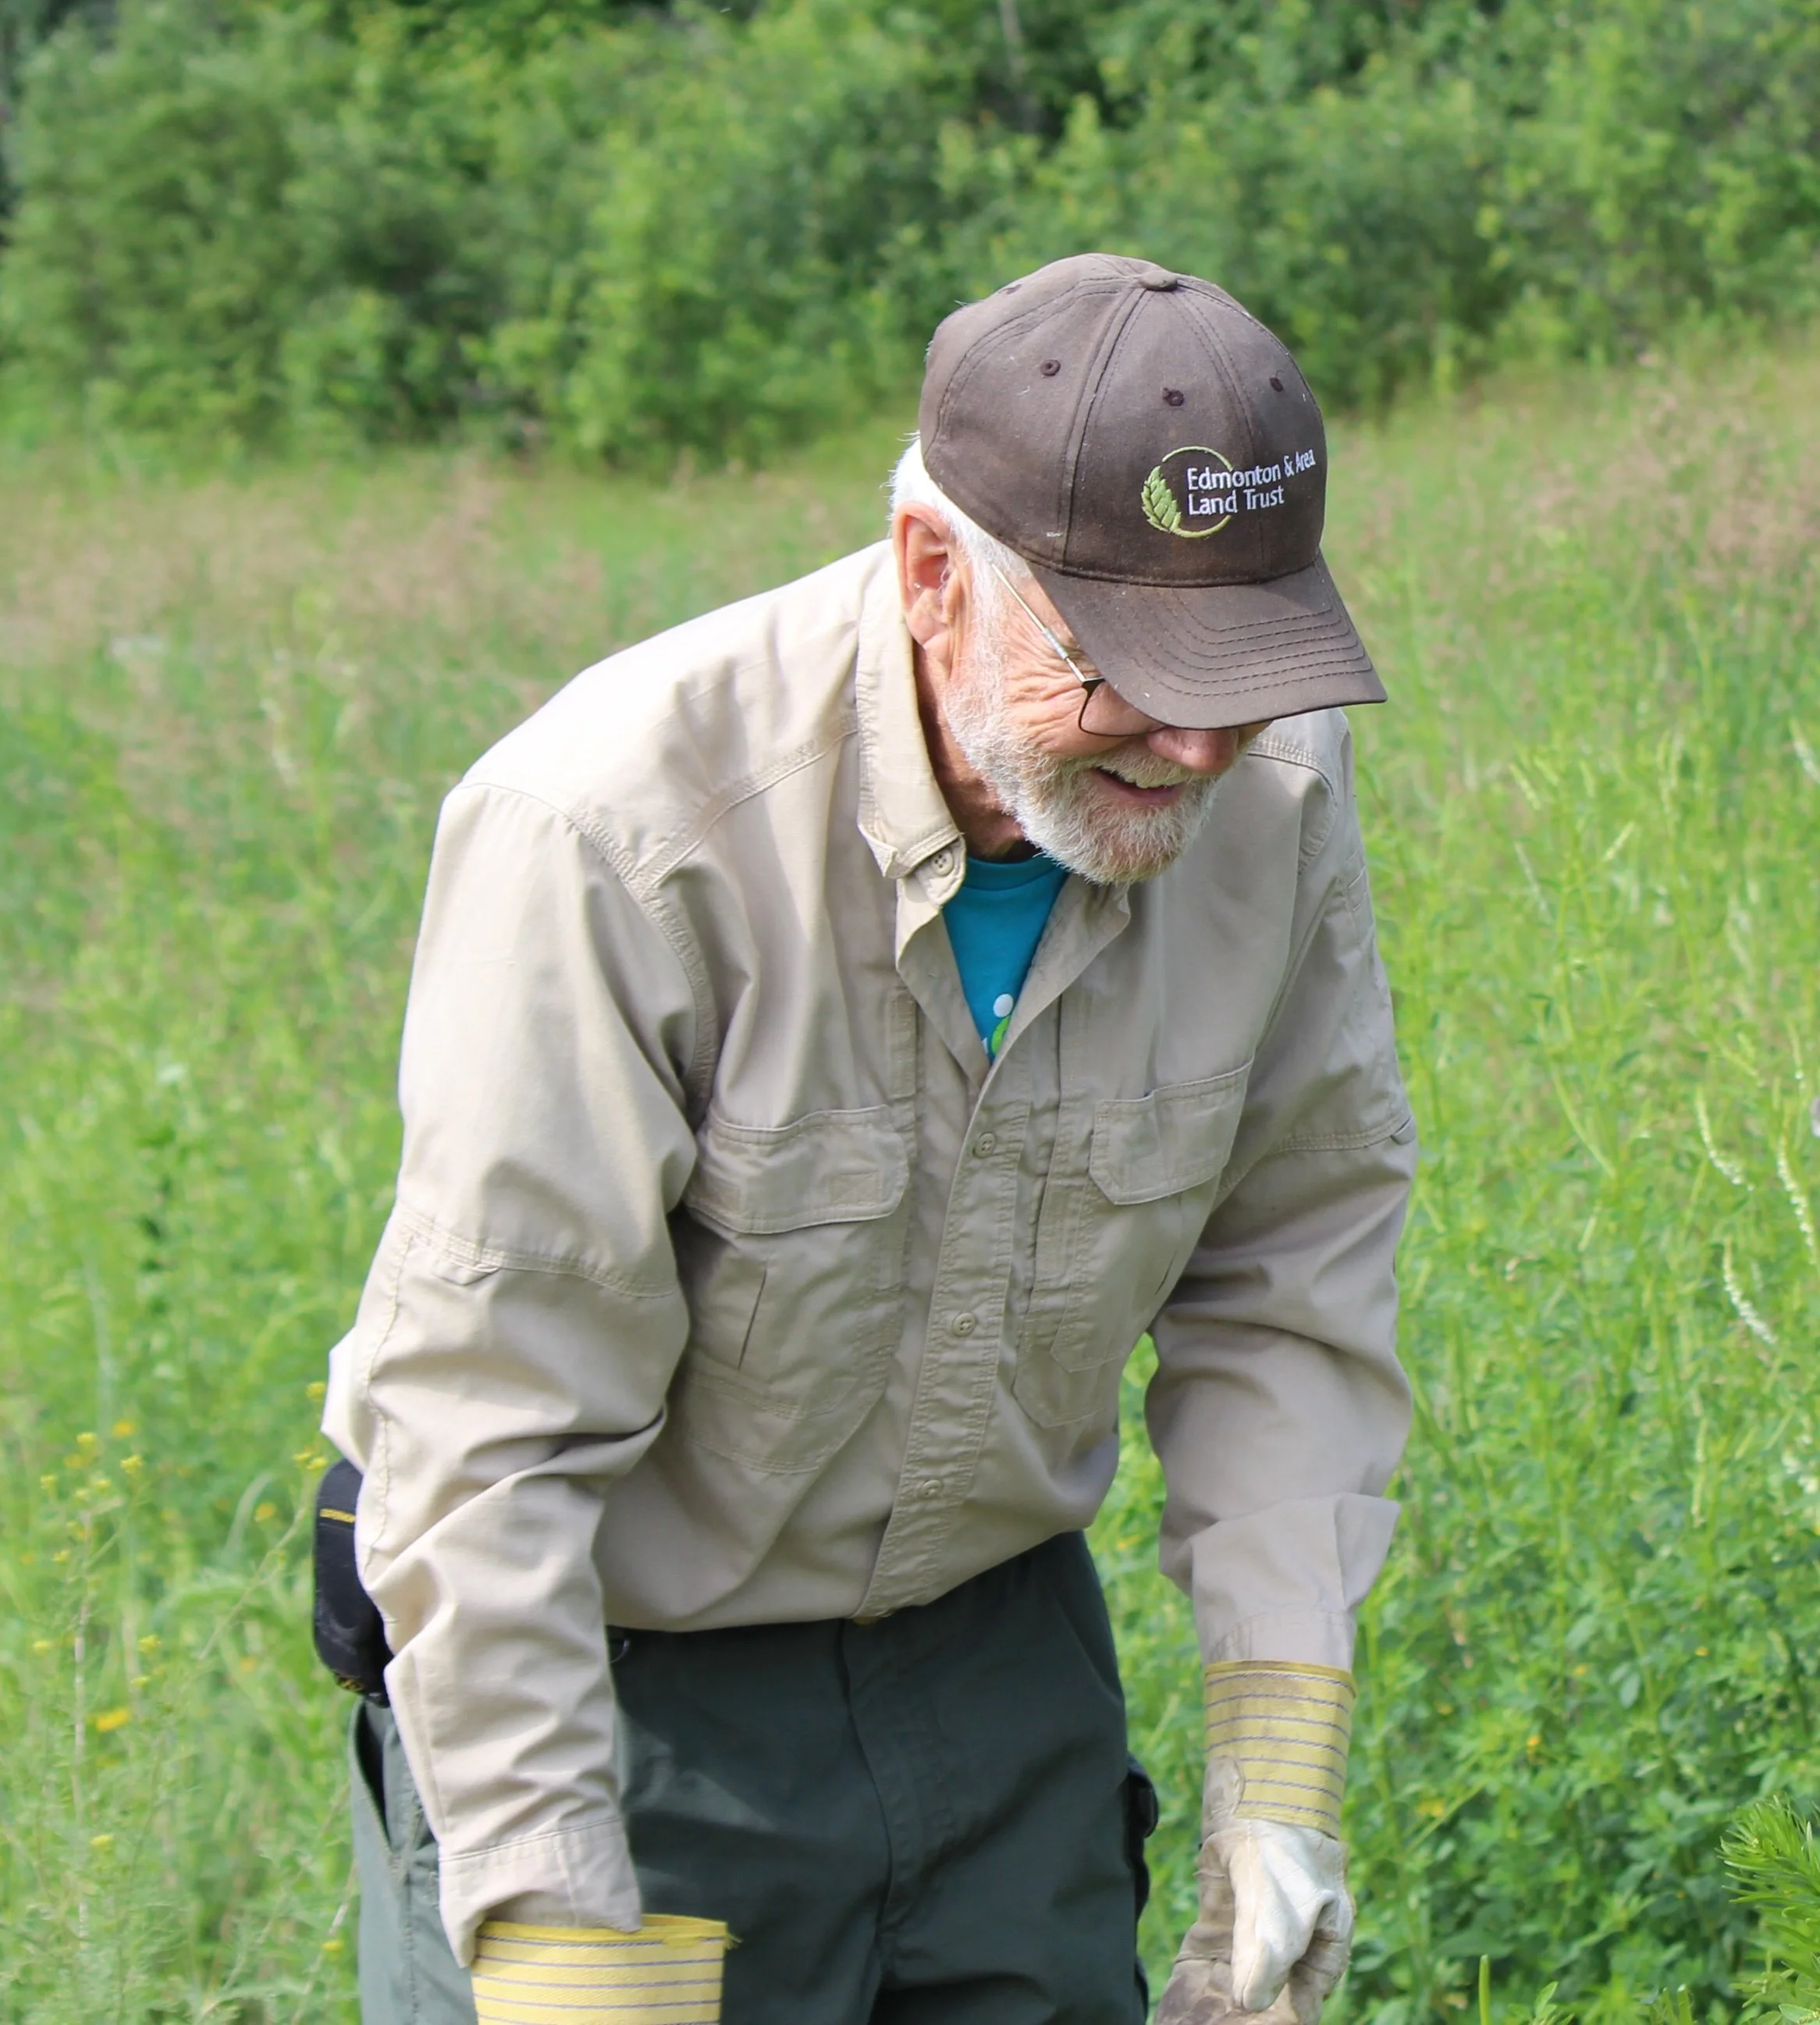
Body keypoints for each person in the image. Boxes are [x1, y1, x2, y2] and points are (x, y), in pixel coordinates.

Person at [321, 253, 1415, 2025]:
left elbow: (1287, 1283)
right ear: (932, 574)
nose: (1202, 740)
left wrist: (1275, 1778)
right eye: (1128, 668)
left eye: (1246, 664)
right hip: (614, 1688)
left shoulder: (1264, 787)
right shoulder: (612, 834)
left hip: (995, 1661)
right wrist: (558, 1933)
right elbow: (490, 1423)